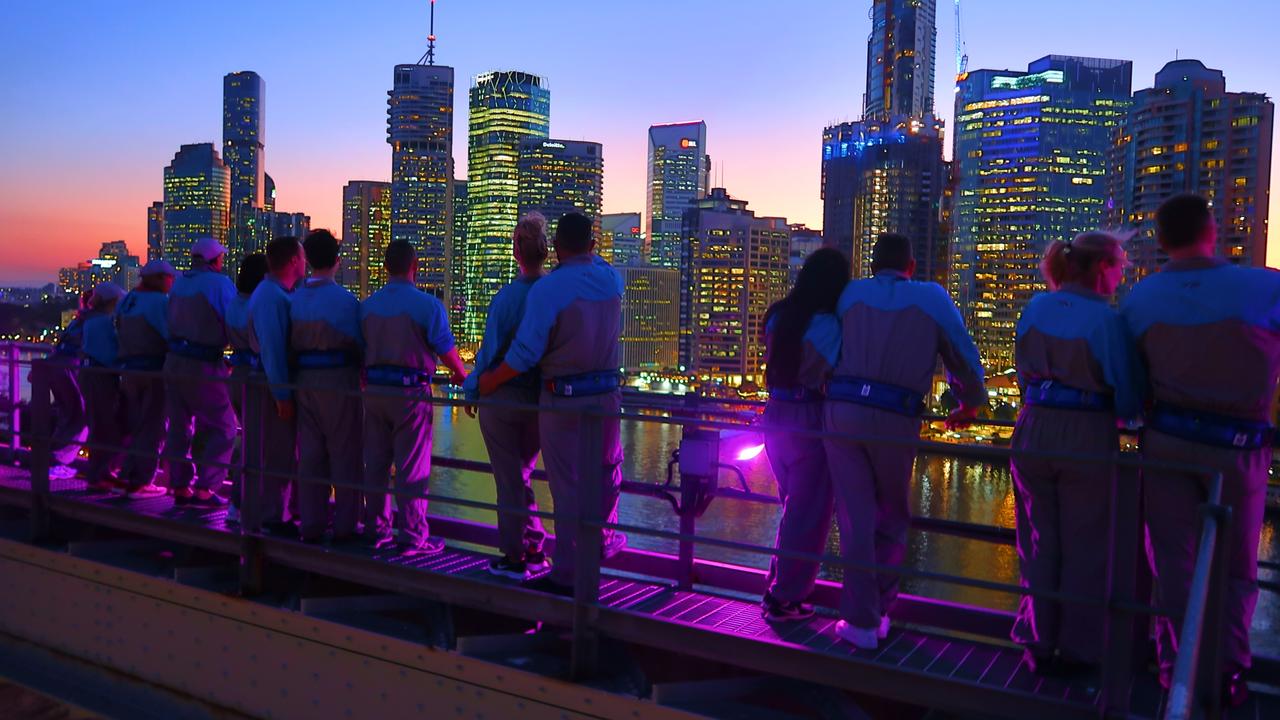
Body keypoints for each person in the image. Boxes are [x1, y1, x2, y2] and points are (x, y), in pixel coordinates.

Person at [1120, 194, 1280, 706]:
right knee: (1236, 571)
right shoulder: (1266, 286)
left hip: (1165, 442)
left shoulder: (1139, 299)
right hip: (1239, 449)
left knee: (1173, 567)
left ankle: (1175, 674)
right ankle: (1227, 674)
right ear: (1213, 231)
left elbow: (1129, 386)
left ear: (1162, 241)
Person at [823, 233, 986, 649]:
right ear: (911, 266)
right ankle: (876, 613)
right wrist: (970, 403)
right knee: (892, 514)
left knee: (854, 518)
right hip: (894, 417)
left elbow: (828, 346)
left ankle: (860, 621)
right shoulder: (932, 297)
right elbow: (962, 354)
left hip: (841, 413)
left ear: (872, 264)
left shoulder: (849, 294)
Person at [1009, 231, 1142, 674]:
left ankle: (1038, 640)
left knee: (1037, 542)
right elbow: (1125, 390)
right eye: (1119, 265)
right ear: (1101, 267)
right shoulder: (1105, 321)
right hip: (1084, 430)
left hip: (1032, 426)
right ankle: (1081, 650)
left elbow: (1024, 374)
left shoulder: (1035, 307)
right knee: (1086, 545)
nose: (1122, 275)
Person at [478, 212, 626, 594]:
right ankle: (603, 544)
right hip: (608, 397)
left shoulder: (549, 290)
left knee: (567, 485)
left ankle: (566, 575)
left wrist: (487, 381)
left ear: (557, 247)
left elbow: (525, 353)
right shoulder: (611, 278)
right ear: (593, 245)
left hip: (563, 399)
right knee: (607, 472)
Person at [361, 240, 467, 556]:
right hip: (410, 393)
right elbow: (445, 349)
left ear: (385, 268)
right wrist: (463, 377)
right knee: (412, 468)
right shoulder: (428, 306)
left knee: (376, 464)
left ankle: (375, 530)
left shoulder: (367, 306)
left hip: (375, 393)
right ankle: (411, 536)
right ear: (415, 267)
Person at [759, 247, 848, 622]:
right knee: (808, 514)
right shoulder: (829, 324)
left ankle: (778, 585)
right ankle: (784, 599)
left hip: (775, 416)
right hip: (809, 417)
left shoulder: (779, 315)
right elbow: (831, 371)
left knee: (792, 509)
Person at [463, 214, 550, 579]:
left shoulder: (507, 299)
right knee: (522, 475)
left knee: (508, 479)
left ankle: (515, 557)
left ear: (516, 251)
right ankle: (533, 546)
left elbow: (490, 352)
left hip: (503, 396)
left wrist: (472, 387)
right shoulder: (553, 294)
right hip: (542, 402)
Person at [290, 229, 363, 543]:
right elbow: (361, 345)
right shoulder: (346, 302)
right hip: (339, 382)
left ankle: (311, 524)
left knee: (310, 456)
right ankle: (346, 526)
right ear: (337, 260)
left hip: (303, 381)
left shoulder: (293, 299)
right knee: (345, 455)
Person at [163, 237, 237, 508]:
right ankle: (206, 487)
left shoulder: (180, 283)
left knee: (179, 427)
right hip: (204, 364)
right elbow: (232, 320)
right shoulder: (218, 283)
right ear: (214, 260)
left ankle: (180, 485)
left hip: (173, 362)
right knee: (225, 426)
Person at [247, 238, 306, 535]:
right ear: (294, 261)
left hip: (272, 382)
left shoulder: (273, 292)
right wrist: (282, 394)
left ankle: (283, 512)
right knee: (279, 452)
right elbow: (272, 347)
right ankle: (274, 517)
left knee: (283, 452)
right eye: (303, 256)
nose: (306, 261)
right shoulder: (271, 297)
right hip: (273, 386)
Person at [114, 259, 176, 498]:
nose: (172, 282)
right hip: (153, 370)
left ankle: (127, 474)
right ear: (160, 278)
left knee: (136, 424)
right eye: (170, 278)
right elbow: (169, 333)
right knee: (154, 426)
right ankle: (141, 481)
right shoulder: (159, 301)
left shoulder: (128, 299)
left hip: (129, 370)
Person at [224, 252, 269, 525]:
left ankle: (237, 502)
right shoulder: (258, 304)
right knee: (258, 446)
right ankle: (244, 503)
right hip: (254, 376)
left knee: (249, 442)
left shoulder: (233, 303)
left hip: (236, 374)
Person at [34, 291, 91, 479]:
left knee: (67, 416)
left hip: (58, 367)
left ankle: (51, 461)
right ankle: (59, 462)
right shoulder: (93, 321)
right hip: (72, 370)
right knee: (80, 417)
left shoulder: (77, 320)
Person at [78, 282, 126, 492]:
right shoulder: (104, 323)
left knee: (98, 425)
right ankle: (100, 475)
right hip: (101, 376)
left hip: (90, 373)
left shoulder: (91, 320)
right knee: (106, 426)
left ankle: (99, 473)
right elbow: (112, 353)